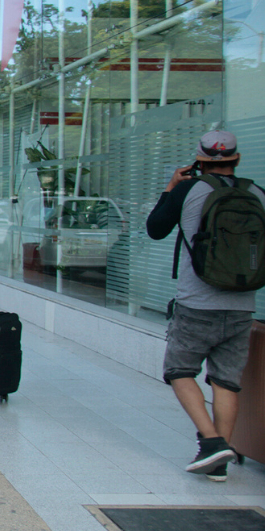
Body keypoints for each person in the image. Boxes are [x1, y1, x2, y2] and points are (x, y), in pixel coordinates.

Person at [146, 130, 263, 482]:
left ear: (199, 160)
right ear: (237, 159)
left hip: (198, 301)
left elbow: (154, 229)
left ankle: (212, 443)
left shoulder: (188, 190)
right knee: (226, 380)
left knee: (179, 371)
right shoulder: (257, 193)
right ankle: (220, 462)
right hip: (243, 304)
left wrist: (170, 187)